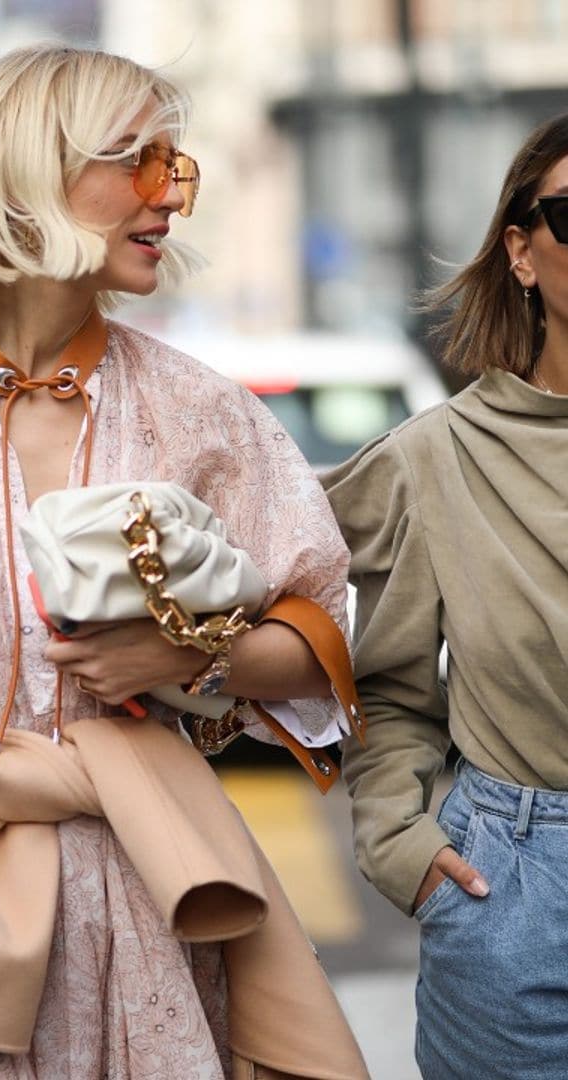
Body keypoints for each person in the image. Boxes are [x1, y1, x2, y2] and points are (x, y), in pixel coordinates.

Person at [0, 45, 367, 1080]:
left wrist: (187, 664)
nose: (170, 198)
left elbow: (322, 630)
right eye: (137, 163)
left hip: (154, 892)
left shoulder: (202, 408)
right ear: (32, 173)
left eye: (177, 168)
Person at [323, 112, 568, 1079]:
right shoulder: (440, 457)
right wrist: (402, 846)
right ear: (521, 250)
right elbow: (382, 686)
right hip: (517, 898)